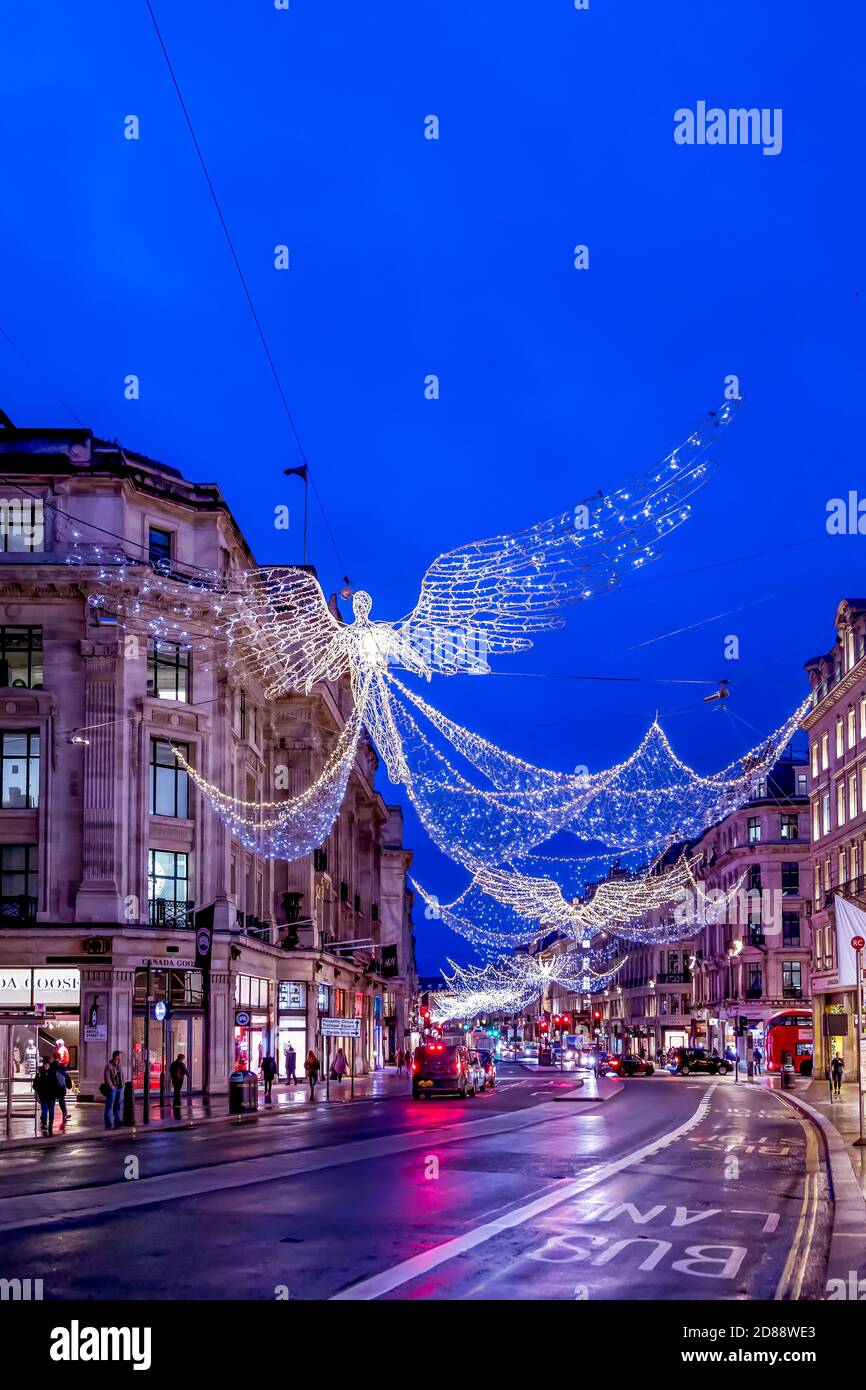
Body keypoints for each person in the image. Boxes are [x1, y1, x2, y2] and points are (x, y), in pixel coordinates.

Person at [33, 1058, 61, 1134]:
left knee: (51, 1110)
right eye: (45, 1065)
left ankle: (50, 1124)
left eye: (47, 1065)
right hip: (44, 1096)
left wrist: (56, 1093)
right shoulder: (40, 1073)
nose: (46, 1066)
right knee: (45, 1110)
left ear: (49, 1065)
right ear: (43, 1065)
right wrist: (39, 1091)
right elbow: (35, 1085)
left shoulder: (52, 1073)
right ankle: (45, 1123)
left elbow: (56, 1084)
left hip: (51, 1095)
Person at [102, 1050, 123, 1129]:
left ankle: (117, 1123)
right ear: (116, 1056)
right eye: (120, 1056)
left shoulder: (119, 1066)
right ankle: (108, 1124)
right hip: (113, 1089)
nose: (121, 1057)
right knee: (109, 1106)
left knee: (117, 1107)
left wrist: (122, 1085)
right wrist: (111, 1087)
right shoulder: (109, 1065)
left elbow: (122, 1076)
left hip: (119, 1088)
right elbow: (107, 1078)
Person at [50, 1055, 72, 1128]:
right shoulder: (61, 1066)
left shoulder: (51, 1066)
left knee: (52, 1104)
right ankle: (64, 1115)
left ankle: (50, 1118)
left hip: (52, 1088)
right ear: (59, 1058)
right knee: (62, 1101)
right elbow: (64, 1076)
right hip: (60, 1087)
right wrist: (65, 1085)